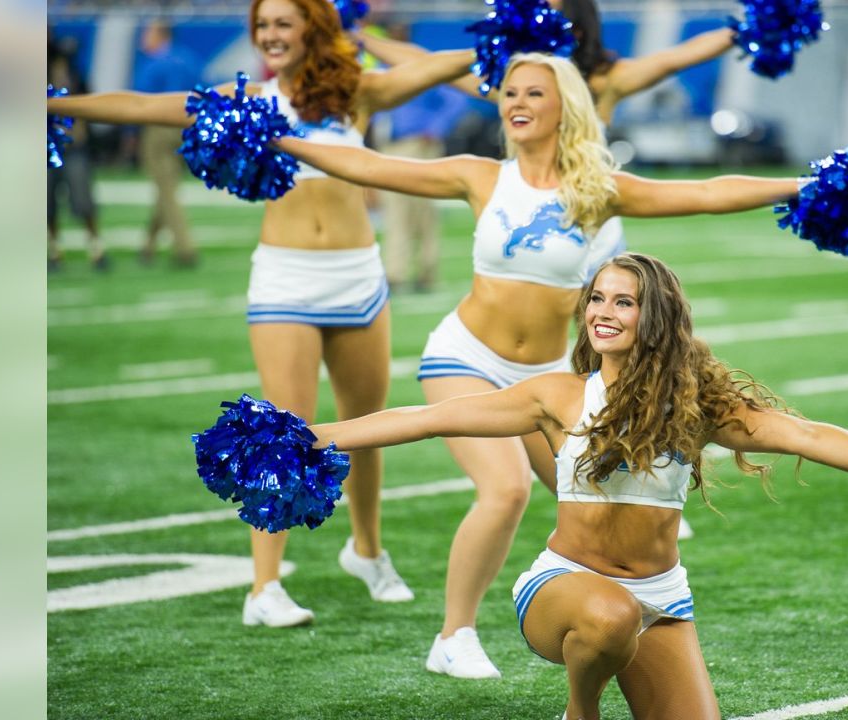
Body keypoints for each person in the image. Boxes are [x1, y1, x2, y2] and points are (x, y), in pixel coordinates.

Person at [275, 52, 808, 679]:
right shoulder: (479, 176)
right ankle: (454, 635)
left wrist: (803, 186)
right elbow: (371, 165)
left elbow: (706, 192)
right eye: (509, 93)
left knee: (586, 492)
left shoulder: (595, 190)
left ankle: (617, 622)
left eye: (533, 93)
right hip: (466, 354)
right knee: (504, 489)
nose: (517, 104)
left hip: (550, 372)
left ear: (565, 108)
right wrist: (283, 140)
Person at [299, 252, 848, 719]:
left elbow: (805, 436)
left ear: (656, 316)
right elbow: (426, 418)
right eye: (597, 299)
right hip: (564, 591)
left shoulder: (697, 403)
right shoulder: (557, 396)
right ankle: (582, 710)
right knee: (610, 612)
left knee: (636, 625)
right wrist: (309, 436)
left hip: (661, 598)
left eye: (624, 302)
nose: (603, 312)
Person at [48, 0, 476, 627]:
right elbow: (142, 106)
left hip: (358, 275)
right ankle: (264, 588)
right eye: (262, 26)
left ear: (312, 29)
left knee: (367, 427)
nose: (270, 36)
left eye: (283, 23)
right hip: (286, 280)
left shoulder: (352, 93)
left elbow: (431, 71)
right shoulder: (245, 99)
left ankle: (367, 550)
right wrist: (50, 105)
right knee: (282, 431)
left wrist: (505, 37)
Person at [360, 0, 739, 540]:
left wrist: (744, 29)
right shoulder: (515, 87)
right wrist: (363, 36)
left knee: (615, 339)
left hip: (595, 220)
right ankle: (600, 472)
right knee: (564, 349)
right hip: (537, 216)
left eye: (553, 8)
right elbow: (430, 63)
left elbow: (675, 59)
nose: (540, 15)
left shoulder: (601, 79)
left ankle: (632, 475)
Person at [370, 23, 471, 293]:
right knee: (396, 211)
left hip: (417, 145)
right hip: (390, 146)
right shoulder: (381, 71)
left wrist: (434, 128)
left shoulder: (422, 69)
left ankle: (421, 271)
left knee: (422, 213)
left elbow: (456, 100)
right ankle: (398, 272)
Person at [133, 19, 201, 268]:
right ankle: (148, 245)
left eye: (147, 31)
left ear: (160, 34)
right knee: (167, 187)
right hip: (187, 126)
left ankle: (185, 248)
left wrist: (130, 134)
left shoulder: (153, 63)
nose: (144, 37)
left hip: (158, 128)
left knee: (166, 189)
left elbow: (139, 100)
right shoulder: (189, 59)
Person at [48, 31, 107, 272]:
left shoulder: (74, 75)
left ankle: (96, 247)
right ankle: (54, 250)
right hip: (47, 146)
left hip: (74, 144)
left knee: (84, 201)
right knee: (47, 203)